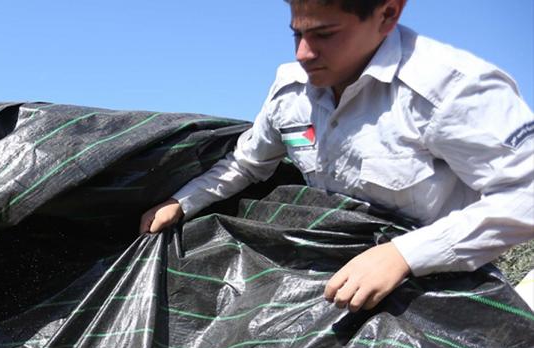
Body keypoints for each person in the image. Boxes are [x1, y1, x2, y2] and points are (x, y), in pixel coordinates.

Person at [140, 0, 534, 312]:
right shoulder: (291, 90)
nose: (304, 53)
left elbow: (526, 197)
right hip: (324, 286)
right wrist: (182, 202)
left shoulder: (453, 91)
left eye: (325, 34)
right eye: (297, 33)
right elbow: (247, 163)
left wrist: (403, 255)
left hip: (435, 297)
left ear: (388, 14)